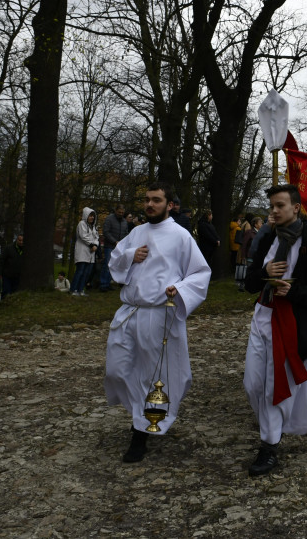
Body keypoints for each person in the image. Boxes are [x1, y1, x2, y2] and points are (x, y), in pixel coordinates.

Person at [104, 181, 211, 463]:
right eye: (147, 200)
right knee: (117, 369)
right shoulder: (136, 232)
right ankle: (139, 413)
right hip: (129, 312)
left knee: (155, 375)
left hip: (159, 313)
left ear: (170, 205)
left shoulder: (181, 236)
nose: (150, 204)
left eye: (156, 200)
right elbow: (115, 261)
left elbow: (200, 273)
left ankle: (141, 430)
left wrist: (181, 290)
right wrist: (130, 255)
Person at [243, 184, 307, 476]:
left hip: (291, 322)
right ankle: (274, 426)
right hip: (262, 316)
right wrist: (263, 273)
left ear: (296, 208)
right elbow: (249, 284)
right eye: (271, 206)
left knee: (274, 386)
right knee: (252, 383)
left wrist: (292, 293)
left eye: (279, 205)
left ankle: (269, 446)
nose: (273, 211)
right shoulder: (267, 236)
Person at [70, 207, 98, 296]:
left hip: (91, 253)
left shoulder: (93, 227)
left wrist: (95, 245)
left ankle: (81, 290)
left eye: (93, 216)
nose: (92, 217)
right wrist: (92, 245)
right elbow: (83, 236)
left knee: (86, 273)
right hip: (82, 251)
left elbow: (96, 237)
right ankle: (73, 289)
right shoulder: (81, 224)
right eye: (90, 216)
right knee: (80, 271)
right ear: (86, 216)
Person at [100, 204, 128, 292]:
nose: (121, 214)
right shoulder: (109, 219)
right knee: (107, 265)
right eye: (119, 212)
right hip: (110, 246)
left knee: (114, 266)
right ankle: (103, 284)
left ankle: (108, 283)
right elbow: (106, 231)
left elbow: (126, 233)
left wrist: (124, 242)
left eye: (122, 212)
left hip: (119, 247)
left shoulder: (124, 221)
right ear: (116, 211)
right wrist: (114, 241)